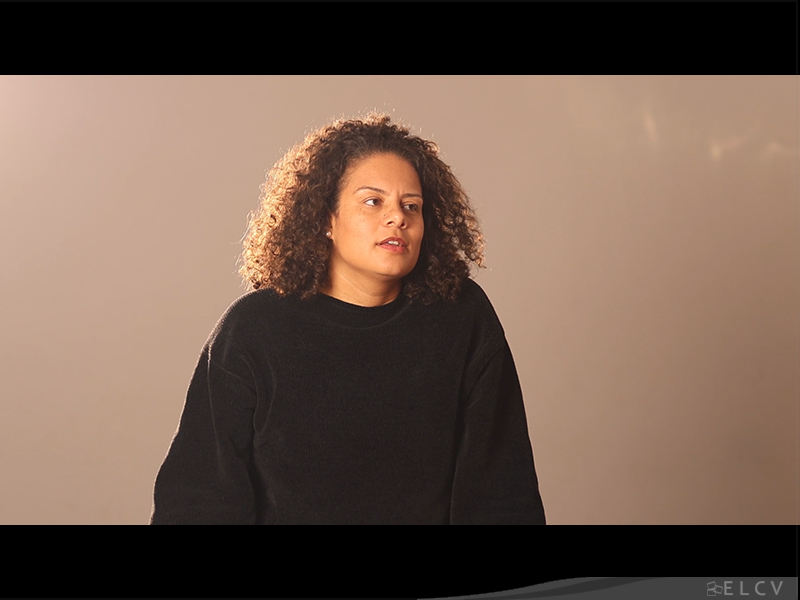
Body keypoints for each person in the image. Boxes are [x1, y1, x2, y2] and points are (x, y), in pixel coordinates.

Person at [150, 113, 546, 524]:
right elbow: (197, 501)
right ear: (326, 218)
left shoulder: (463, 318)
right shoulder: (253, 330)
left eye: (411, 206)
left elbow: (503, 495)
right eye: (373, 201)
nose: (398, 217)